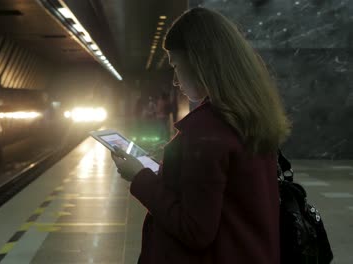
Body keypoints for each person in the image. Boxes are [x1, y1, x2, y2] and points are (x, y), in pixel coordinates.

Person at [110, 7, 292, 264]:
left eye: (175, 65)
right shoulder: (249, 115)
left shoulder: (207, 131)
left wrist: (139, 176)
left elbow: (194, 230)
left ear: (199, 61)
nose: (175, 80)